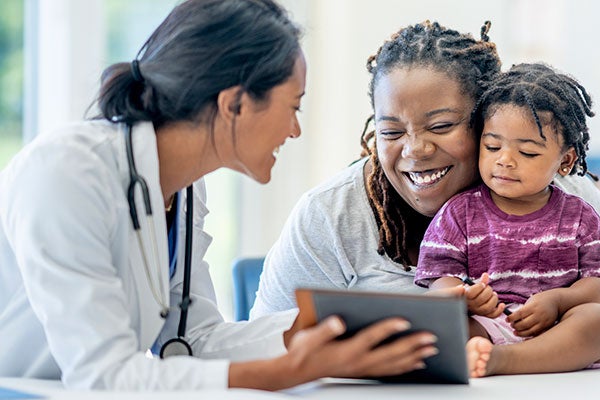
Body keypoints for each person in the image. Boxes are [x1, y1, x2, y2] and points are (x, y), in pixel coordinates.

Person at [0, 0, 438, 390]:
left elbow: (194, 340)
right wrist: (284, 373)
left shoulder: (185, 188)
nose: (294, 129)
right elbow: (105, 375)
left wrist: (332, 324)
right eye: (294, 106)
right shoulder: (66, 171)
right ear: (235, 104)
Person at [251, 20, 600, 345]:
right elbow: (267, 341)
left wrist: (544, 337)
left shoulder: (564, 199)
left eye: (442, 125)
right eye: (391, 132)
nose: (414, 150)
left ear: (488, 119)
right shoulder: (330, 214)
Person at [414, 63, 600, 377]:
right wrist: (466, 298)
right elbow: (440, 282)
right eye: (492, 146)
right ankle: (486, 354)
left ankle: (505, 361)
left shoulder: (580, 217)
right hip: (484, 326)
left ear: (565, 161)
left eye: (527, 153)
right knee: (436, 322)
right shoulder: (458, 214)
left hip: (557, 329)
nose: (505, 160)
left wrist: (558, 300)